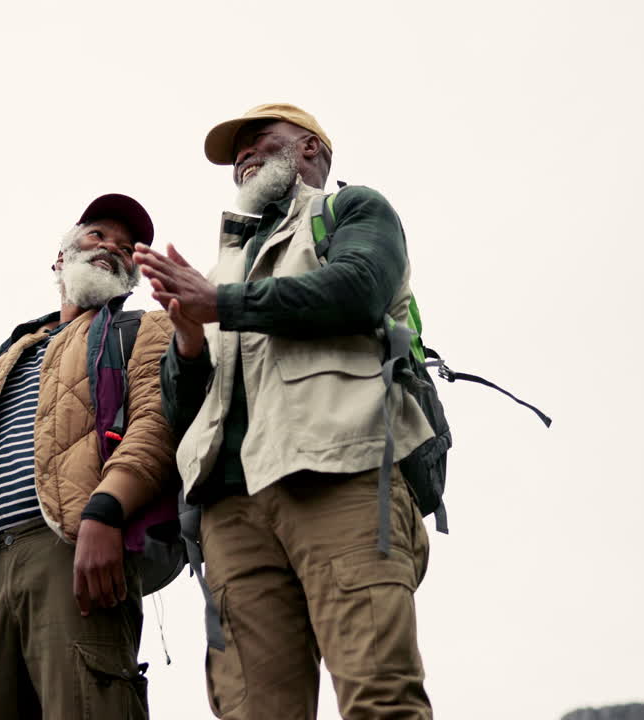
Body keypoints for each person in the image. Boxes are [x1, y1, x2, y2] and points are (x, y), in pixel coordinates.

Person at [133, 103, 435, 719]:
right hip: (231, 515)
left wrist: (220, 303)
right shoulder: (219, 270)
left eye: (261, 142)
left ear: (311, 153)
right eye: (236, 153)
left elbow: (358, 289)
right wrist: (189, 337)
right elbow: (180, 407)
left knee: (378, 696)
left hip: (339, 473)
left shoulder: (351, 210)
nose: (243, 156)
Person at [0, 194, 176, 719]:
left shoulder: (145, 329)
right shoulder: (6, 357)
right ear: (61, 258)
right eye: (98, 235)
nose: (113, 247)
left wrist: (106, 511)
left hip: (73, 551)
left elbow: (155, 427)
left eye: (126, 246)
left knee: (88, 702)